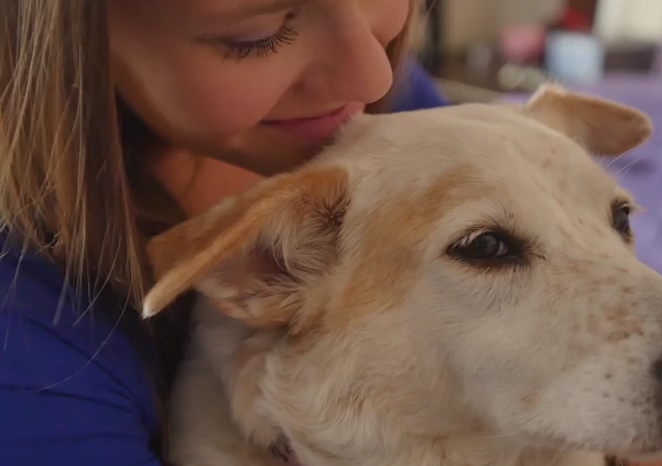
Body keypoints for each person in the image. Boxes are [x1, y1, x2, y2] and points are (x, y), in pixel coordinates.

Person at [0, 1, 446, 465]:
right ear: (62, 37)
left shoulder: (343, 86)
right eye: (259, 36)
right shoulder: (24, 351)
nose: (375, 77)